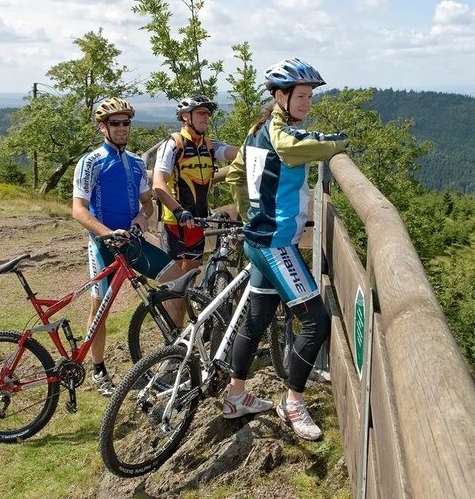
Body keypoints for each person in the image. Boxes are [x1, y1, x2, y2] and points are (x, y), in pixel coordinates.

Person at [221, 58, 350, 441]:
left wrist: (251, 213)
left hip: (259, 240)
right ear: (280, 95)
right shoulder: (279, 134)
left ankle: (235, 397)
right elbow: (294, 147)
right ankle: (292, 402)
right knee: (316, 321)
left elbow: (235, 175)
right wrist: (340, 143)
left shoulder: (256, 129)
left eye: (311, 95)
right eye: (302, 95)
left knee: (258, 318)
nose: (308, 102)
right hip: (276, 244)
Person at [72, 97, 185, 396]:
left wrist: (140, 220)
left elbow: (147, 205)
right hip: (103, 244)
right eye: (115, 123)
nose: (123, 128)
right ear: (102, 127)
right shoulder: (91, 161)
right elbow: (79, 210)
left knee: (176, 278)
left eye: (126, 123)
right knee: (101, 308)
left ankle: (171, 352)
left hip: (132, 241)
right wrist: (107, 234)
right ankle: (98, 369)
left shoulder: (136, 163)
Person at [152, 95, 239, 313]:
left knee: (190, 278)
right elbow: (158, 184)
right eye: (201, 112)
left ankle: (187, 329)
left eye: (208, 113)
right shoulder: (173, 145)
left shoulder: (210, 146)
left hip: (197, 222)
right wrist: (178, 211)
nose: (206, 117)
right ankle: (171, 336)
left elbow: (237, 154)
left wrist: (264, 148)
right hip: (175, 223)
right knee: (174, 283)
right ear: (185, 117)